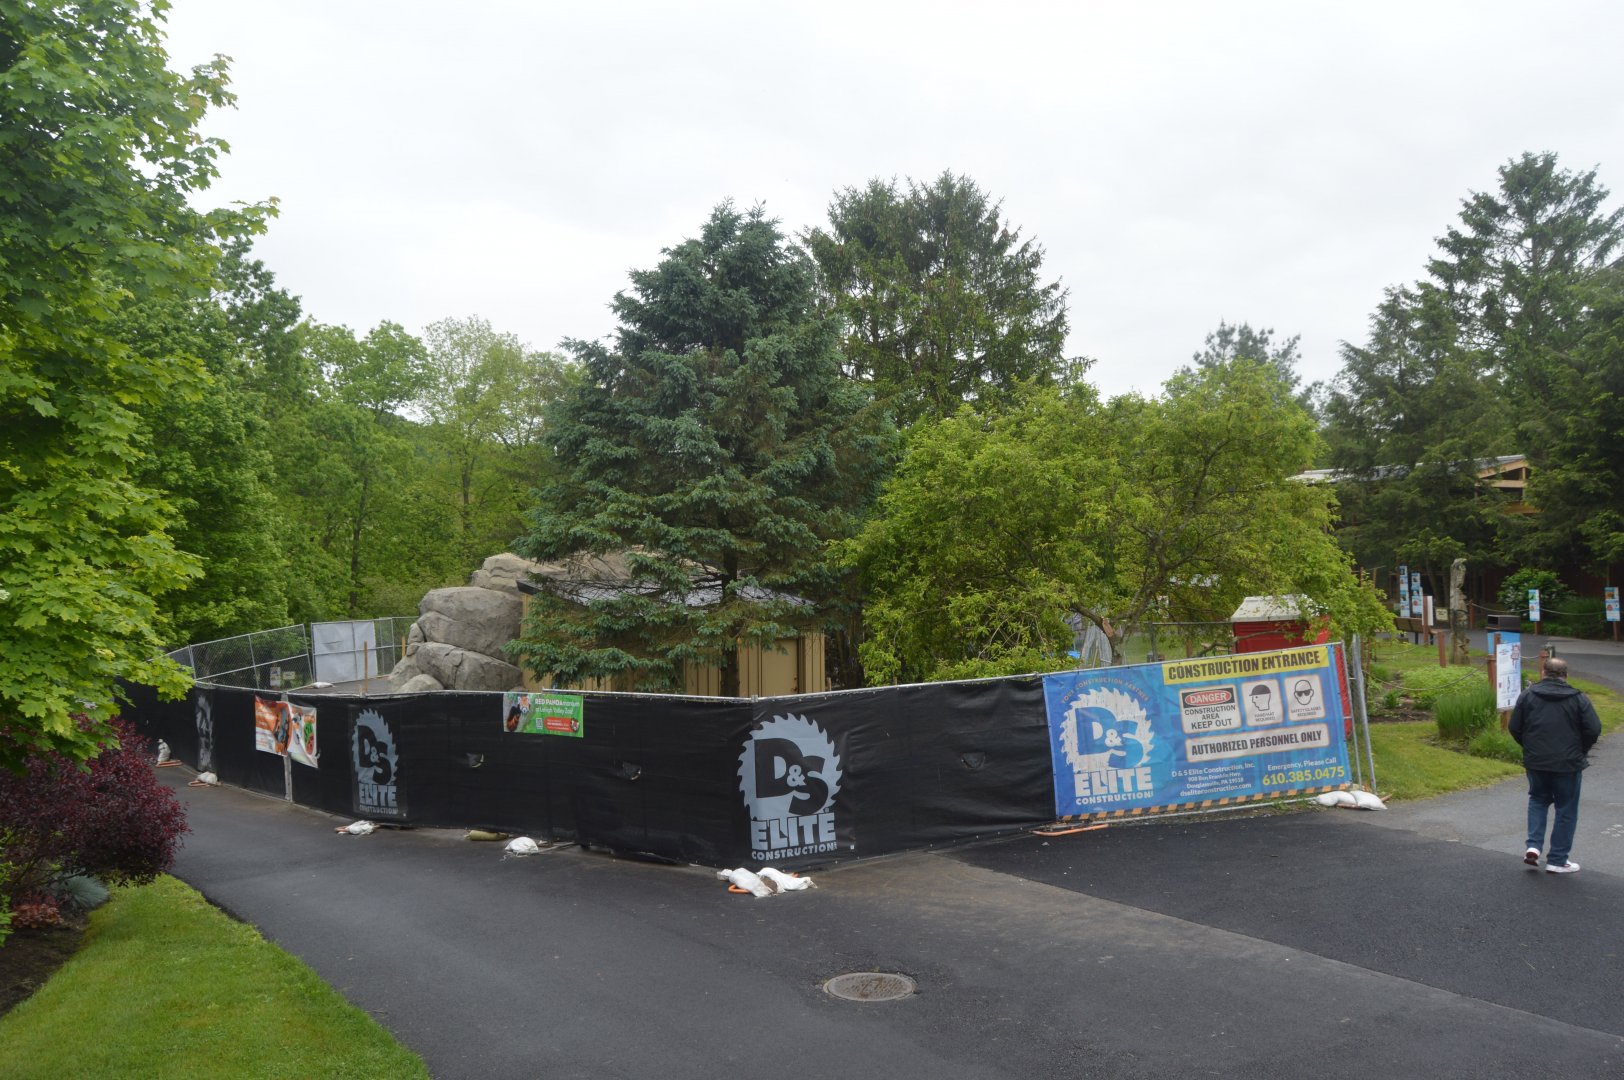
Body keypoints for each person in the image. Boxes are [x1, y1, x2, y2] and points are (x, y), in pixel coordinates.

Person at [1509, 656, 1601, 874]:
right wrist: (1581, 751)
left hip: (1537, 761)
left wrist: (1530, 747)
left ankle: (1533, 846)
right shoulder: (1579, 698)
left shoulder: (1528, 695)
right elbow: (1593, 729)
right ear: (1566, 675)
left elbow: (1515, 727)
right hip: (1568, 763)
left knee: (1538, 800)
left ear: (1543, 673)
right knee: (1566, 808)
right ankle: (1558, 860)